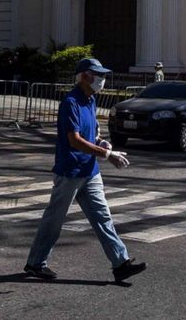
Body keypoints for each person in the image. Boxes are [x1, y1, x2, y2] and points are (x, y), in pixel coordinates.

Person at [24, 58, 147, 282]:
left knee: (103, 217)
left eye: (101, 74)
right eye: (96, 75)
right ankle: (35, 263)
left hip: (90, 171)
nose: (101, 79)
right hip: (70, 171)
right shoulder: (71, 102)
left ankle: (121, 263)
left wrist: (102, 143)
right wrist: (107, 155)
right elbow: (75, 140)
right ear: (83, 77)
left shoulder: (90, 100)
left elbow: (91, 135)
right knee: (54, 221)